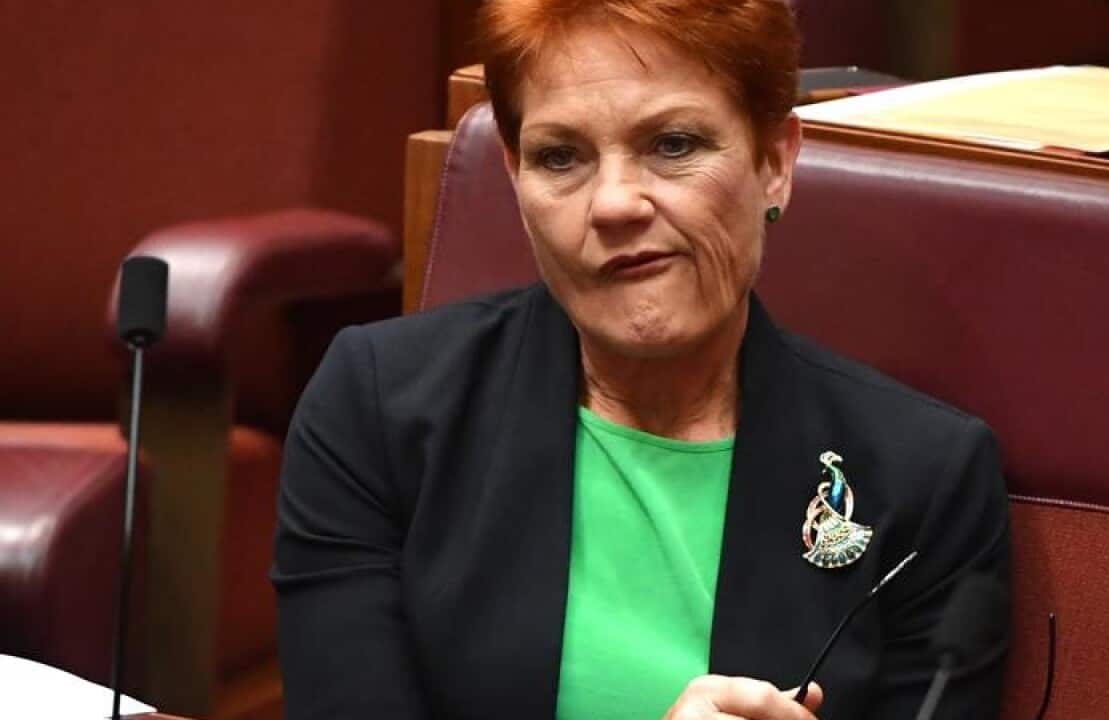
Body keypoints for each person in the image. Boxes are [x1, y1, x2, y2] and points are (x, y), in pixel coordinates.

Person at [272, 1, 1010, 718]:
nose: (615, 203)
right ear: (514, 177)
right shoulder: (376, 406)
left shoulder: (925, 479)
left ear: (774, 163)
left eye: (674, 145)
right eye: (561, 157)